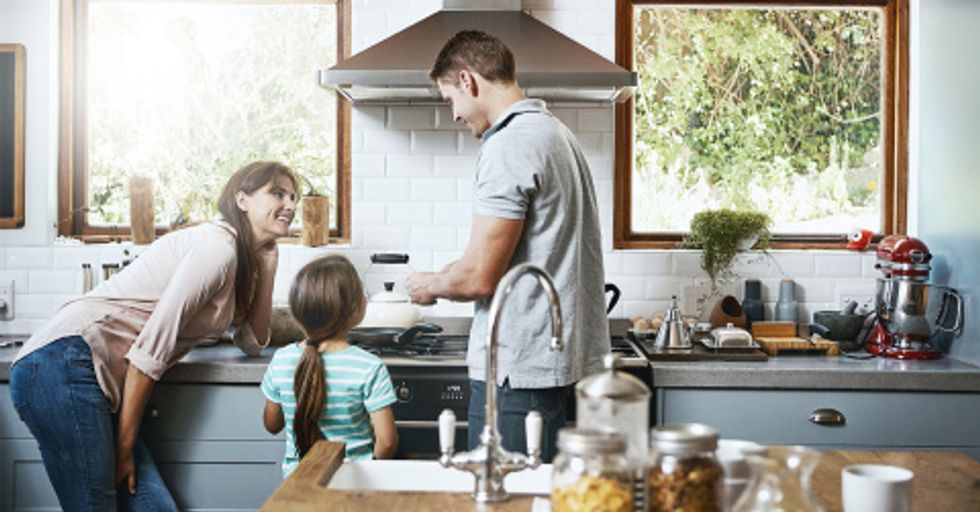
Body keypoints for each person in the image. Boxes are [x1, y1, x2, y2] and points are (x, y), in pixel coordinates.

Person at [8, 160, 297, 511]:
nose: (291, 205)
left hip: (97, 378)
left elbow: (251, 341)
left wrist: (268, 268)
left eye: (293, 197)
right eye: (278, 194)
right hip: (62, 362)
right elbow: (149, 350)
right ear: (242, 200)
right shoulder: (217, 249)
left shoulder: (241, 258)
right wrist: (125, 448)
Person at [405, 30, 610, 462]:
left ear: (467, 81)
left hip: (520, 372)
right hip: (562, 366)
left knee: (507, 499)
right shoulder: (555, 134)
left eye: (450, 101)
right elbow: (525, 251)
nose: (456, 116)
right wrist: (451, 272)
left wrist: (431, 286)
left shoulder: (510, 143)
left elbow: (481, 276)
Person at [260, 254, 398, 477]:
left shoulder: (282, 359)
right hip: (352, 486)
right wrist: (372, 474)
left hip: (297, 484)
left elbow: (272, 424)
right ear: (354, 309)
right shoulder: (368, 366)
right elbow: (387, 443)